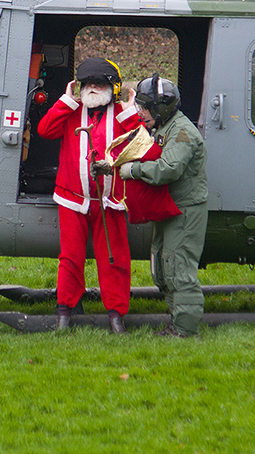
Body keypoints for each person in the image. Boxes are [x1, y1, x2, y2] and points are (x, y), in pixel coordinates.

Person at [37, 57, 140, 334]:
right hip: (72, 198)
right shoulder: (72, 111)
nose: (93, 88)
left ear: (112, 87)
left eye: (99, 83)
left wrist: (130, 113)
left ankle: (116, 313)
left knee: (114, 257)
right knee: (70, 256)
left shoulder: (121, 112)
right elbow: (45, 131)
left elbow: (141, 145)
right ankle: (64, 310)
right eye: (88, 83)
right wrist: (66, 100)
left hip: (111, 201)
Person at [118, 75, 208, 338]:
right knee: (162, 267)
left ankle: (185, 330)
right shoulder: (163, 128)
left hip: (185, 210)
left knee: (178, 269)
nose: (141, 112)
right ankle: (176, 322)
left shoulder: (181, 133)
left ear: (161, 108)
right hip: (169, 208)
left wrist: (132, 170)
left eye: (145, 107)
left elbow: (168, 169)